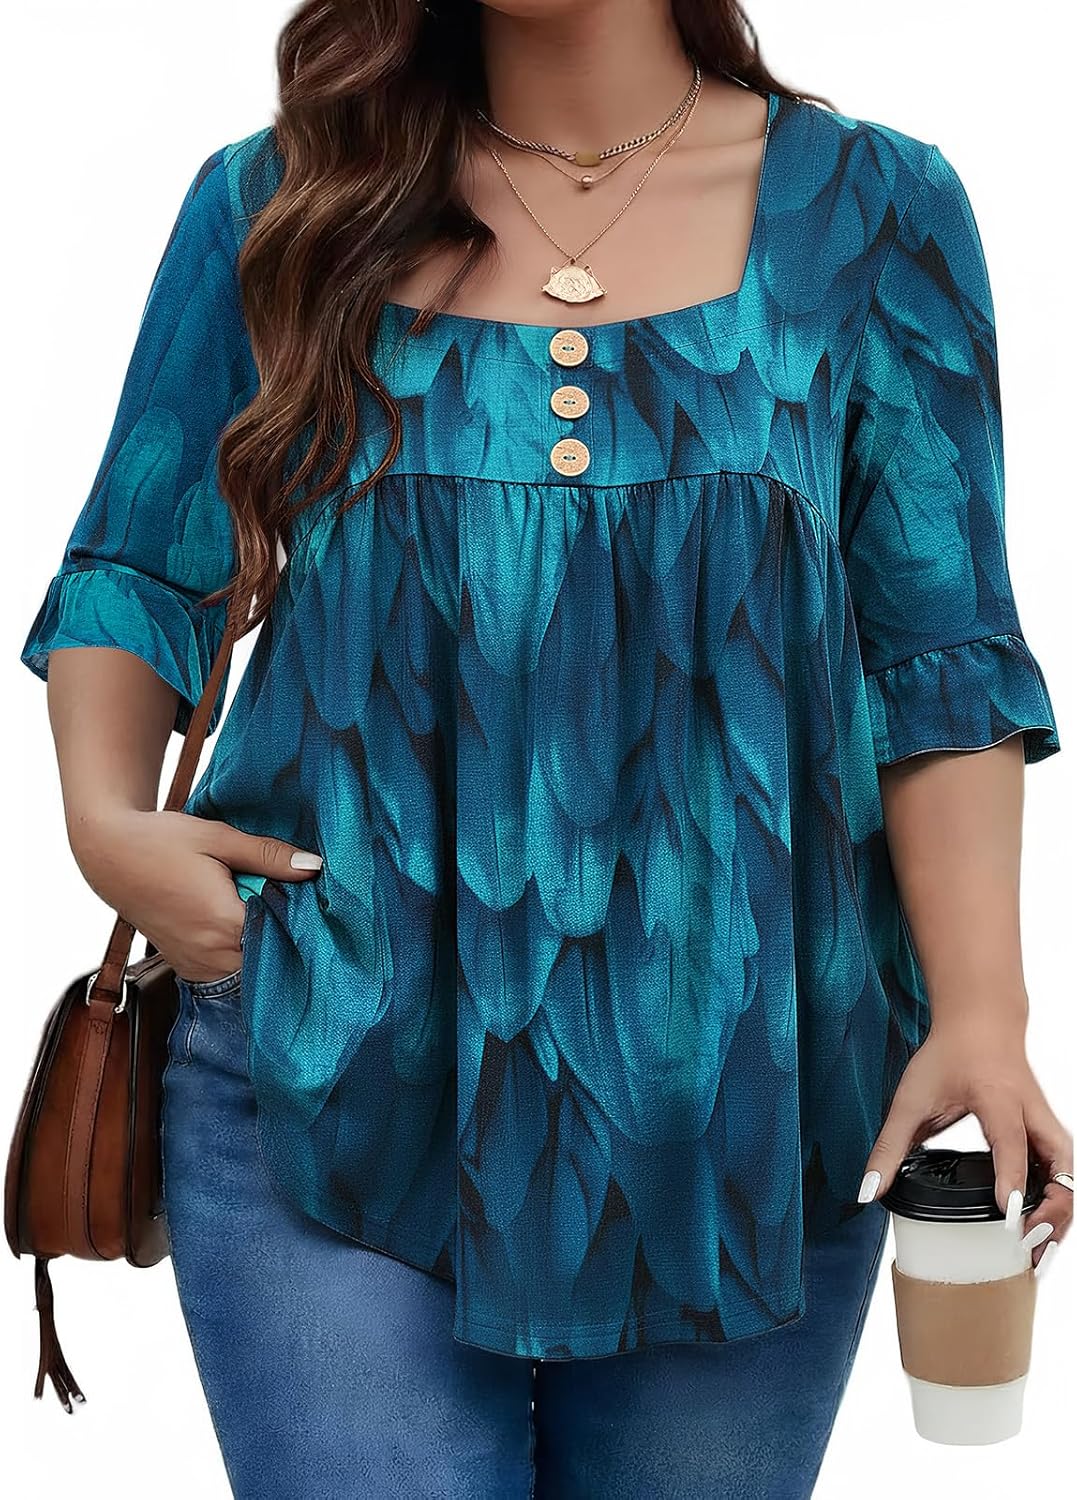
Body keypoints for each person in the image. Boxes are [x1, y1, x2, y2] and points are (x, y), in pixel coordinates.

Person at [19, 1, 1072, 1495]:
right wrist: (105, 822)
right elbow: (139, 563)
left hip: (752, 1101)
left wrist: (982, 1009)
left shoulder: (876, 211)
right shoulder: (282, 200)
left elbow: (938, 651)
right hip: (325, 1049)